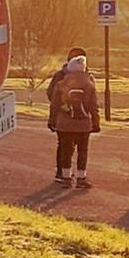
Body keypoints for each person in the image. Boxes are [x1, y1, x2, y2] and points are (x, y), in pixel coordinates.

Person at [48, 49, 100, 187]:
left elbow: (54, 104)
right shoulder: (89, 84)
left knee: (65, 150)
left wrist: (52, 120)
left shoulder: (61, 83)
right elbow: (93, 105)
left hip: (64, 123)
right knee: (82, 151)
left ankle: (65, 177)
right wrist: (96, 122)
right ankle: (81, 178)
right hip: (84, 123)